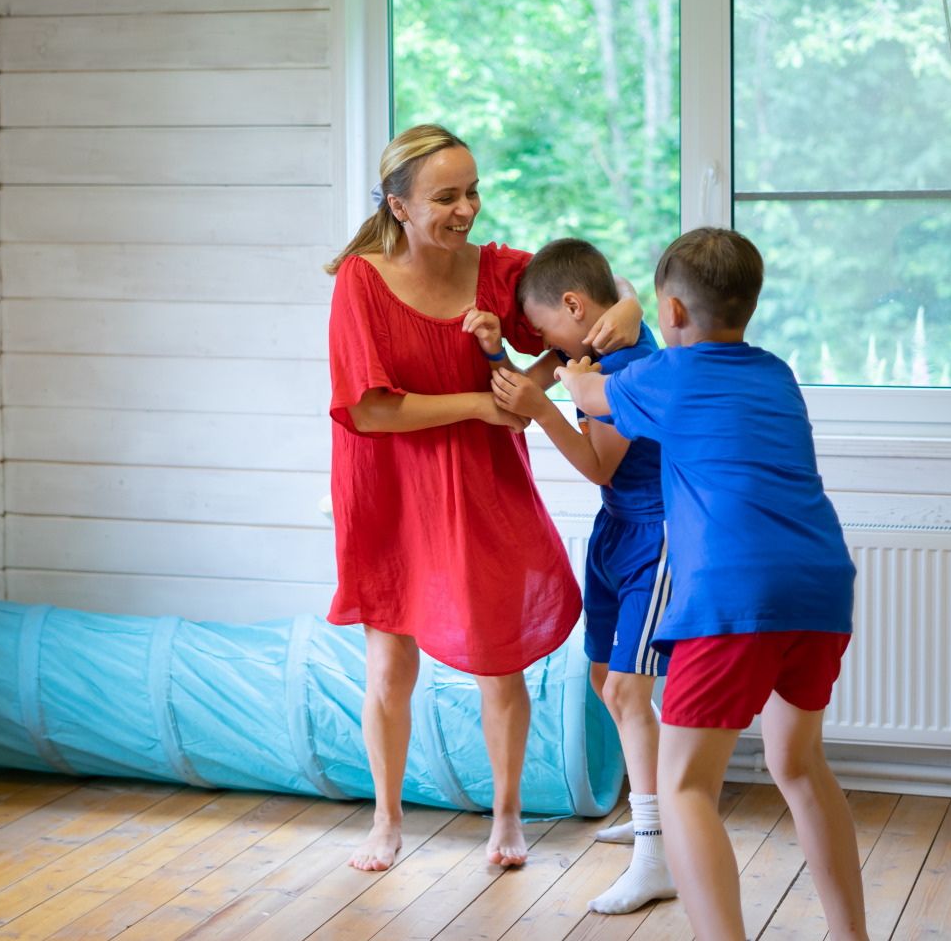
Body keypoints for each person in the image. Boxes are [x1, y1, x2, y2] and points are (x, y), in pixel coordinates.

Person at [325, 125, 642, 872]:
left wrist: (624, 308)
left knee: (498, 657)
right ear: (398, 206)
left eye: (472, 190)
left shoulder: (499, 271)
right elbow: (368, 410)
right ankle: (386, 818)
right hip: (390, 487)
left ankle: (507, 819)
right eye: (446, 196)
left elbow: (589, 296)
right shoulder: (360, 282)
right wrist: (476, 405)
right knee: (388, 665)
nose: (467, 208)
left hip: (483, 483)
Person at [557, 227, 867, 941]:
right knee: (798, 762)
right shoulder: (776, 373)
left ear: (669, 311)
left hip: (730, 599)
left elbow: (581, 386)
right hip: (819, 591)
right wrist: (645, 306)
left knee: (685, 787)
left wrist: (623, 305)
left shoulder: (667, 377)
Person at [479, 238, 676, 915]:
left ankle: (656, 852)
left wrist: (543, 412)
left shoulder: (632, 368)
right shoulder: (594, 334)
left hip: (659, 534)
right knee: (604, 680)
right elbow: (615, 283)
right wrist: (499, 356)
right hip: (615, 531)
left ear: (573, 306)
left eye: (544, 332)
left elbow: (599, 465)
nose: (546, 346)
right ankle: (656, 811)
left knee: (625, 689)